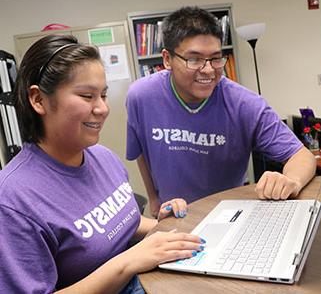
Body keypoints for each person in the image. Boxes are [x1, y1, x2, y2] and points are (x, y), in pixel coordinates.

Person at [0, 34, 205, 293]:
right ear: (38, 100)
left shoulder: (103, 156)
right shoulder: (13, 199)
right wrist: (127, 262)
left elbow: (123, 226)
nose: (103, 109)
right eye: (87, 96)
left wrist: (165, 227)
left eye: (104, 95)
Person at [126, 6, 316, 217]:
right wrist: (153, 198)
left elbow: (302, 156)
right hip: (173, 217)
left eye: (216, 58)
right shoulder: (141, 96)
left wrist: (291, 181)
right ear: (167, 59)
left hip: (230, 216)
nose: (208, 70)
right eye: (194, 59)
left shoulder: (245, 104)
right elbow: (141, 150)